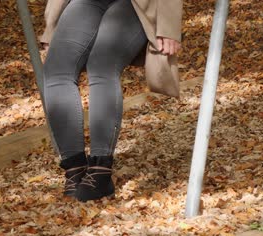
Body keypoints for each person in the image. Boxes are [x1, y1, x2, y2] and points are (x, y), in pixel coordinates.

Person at [40, 0, 183, 202]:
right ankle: (75, 169)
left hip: (135, 5)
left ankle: (100, 171)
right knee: (56, 68)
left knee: (102, 64)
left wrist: (168, 25)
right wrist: (52, 22)